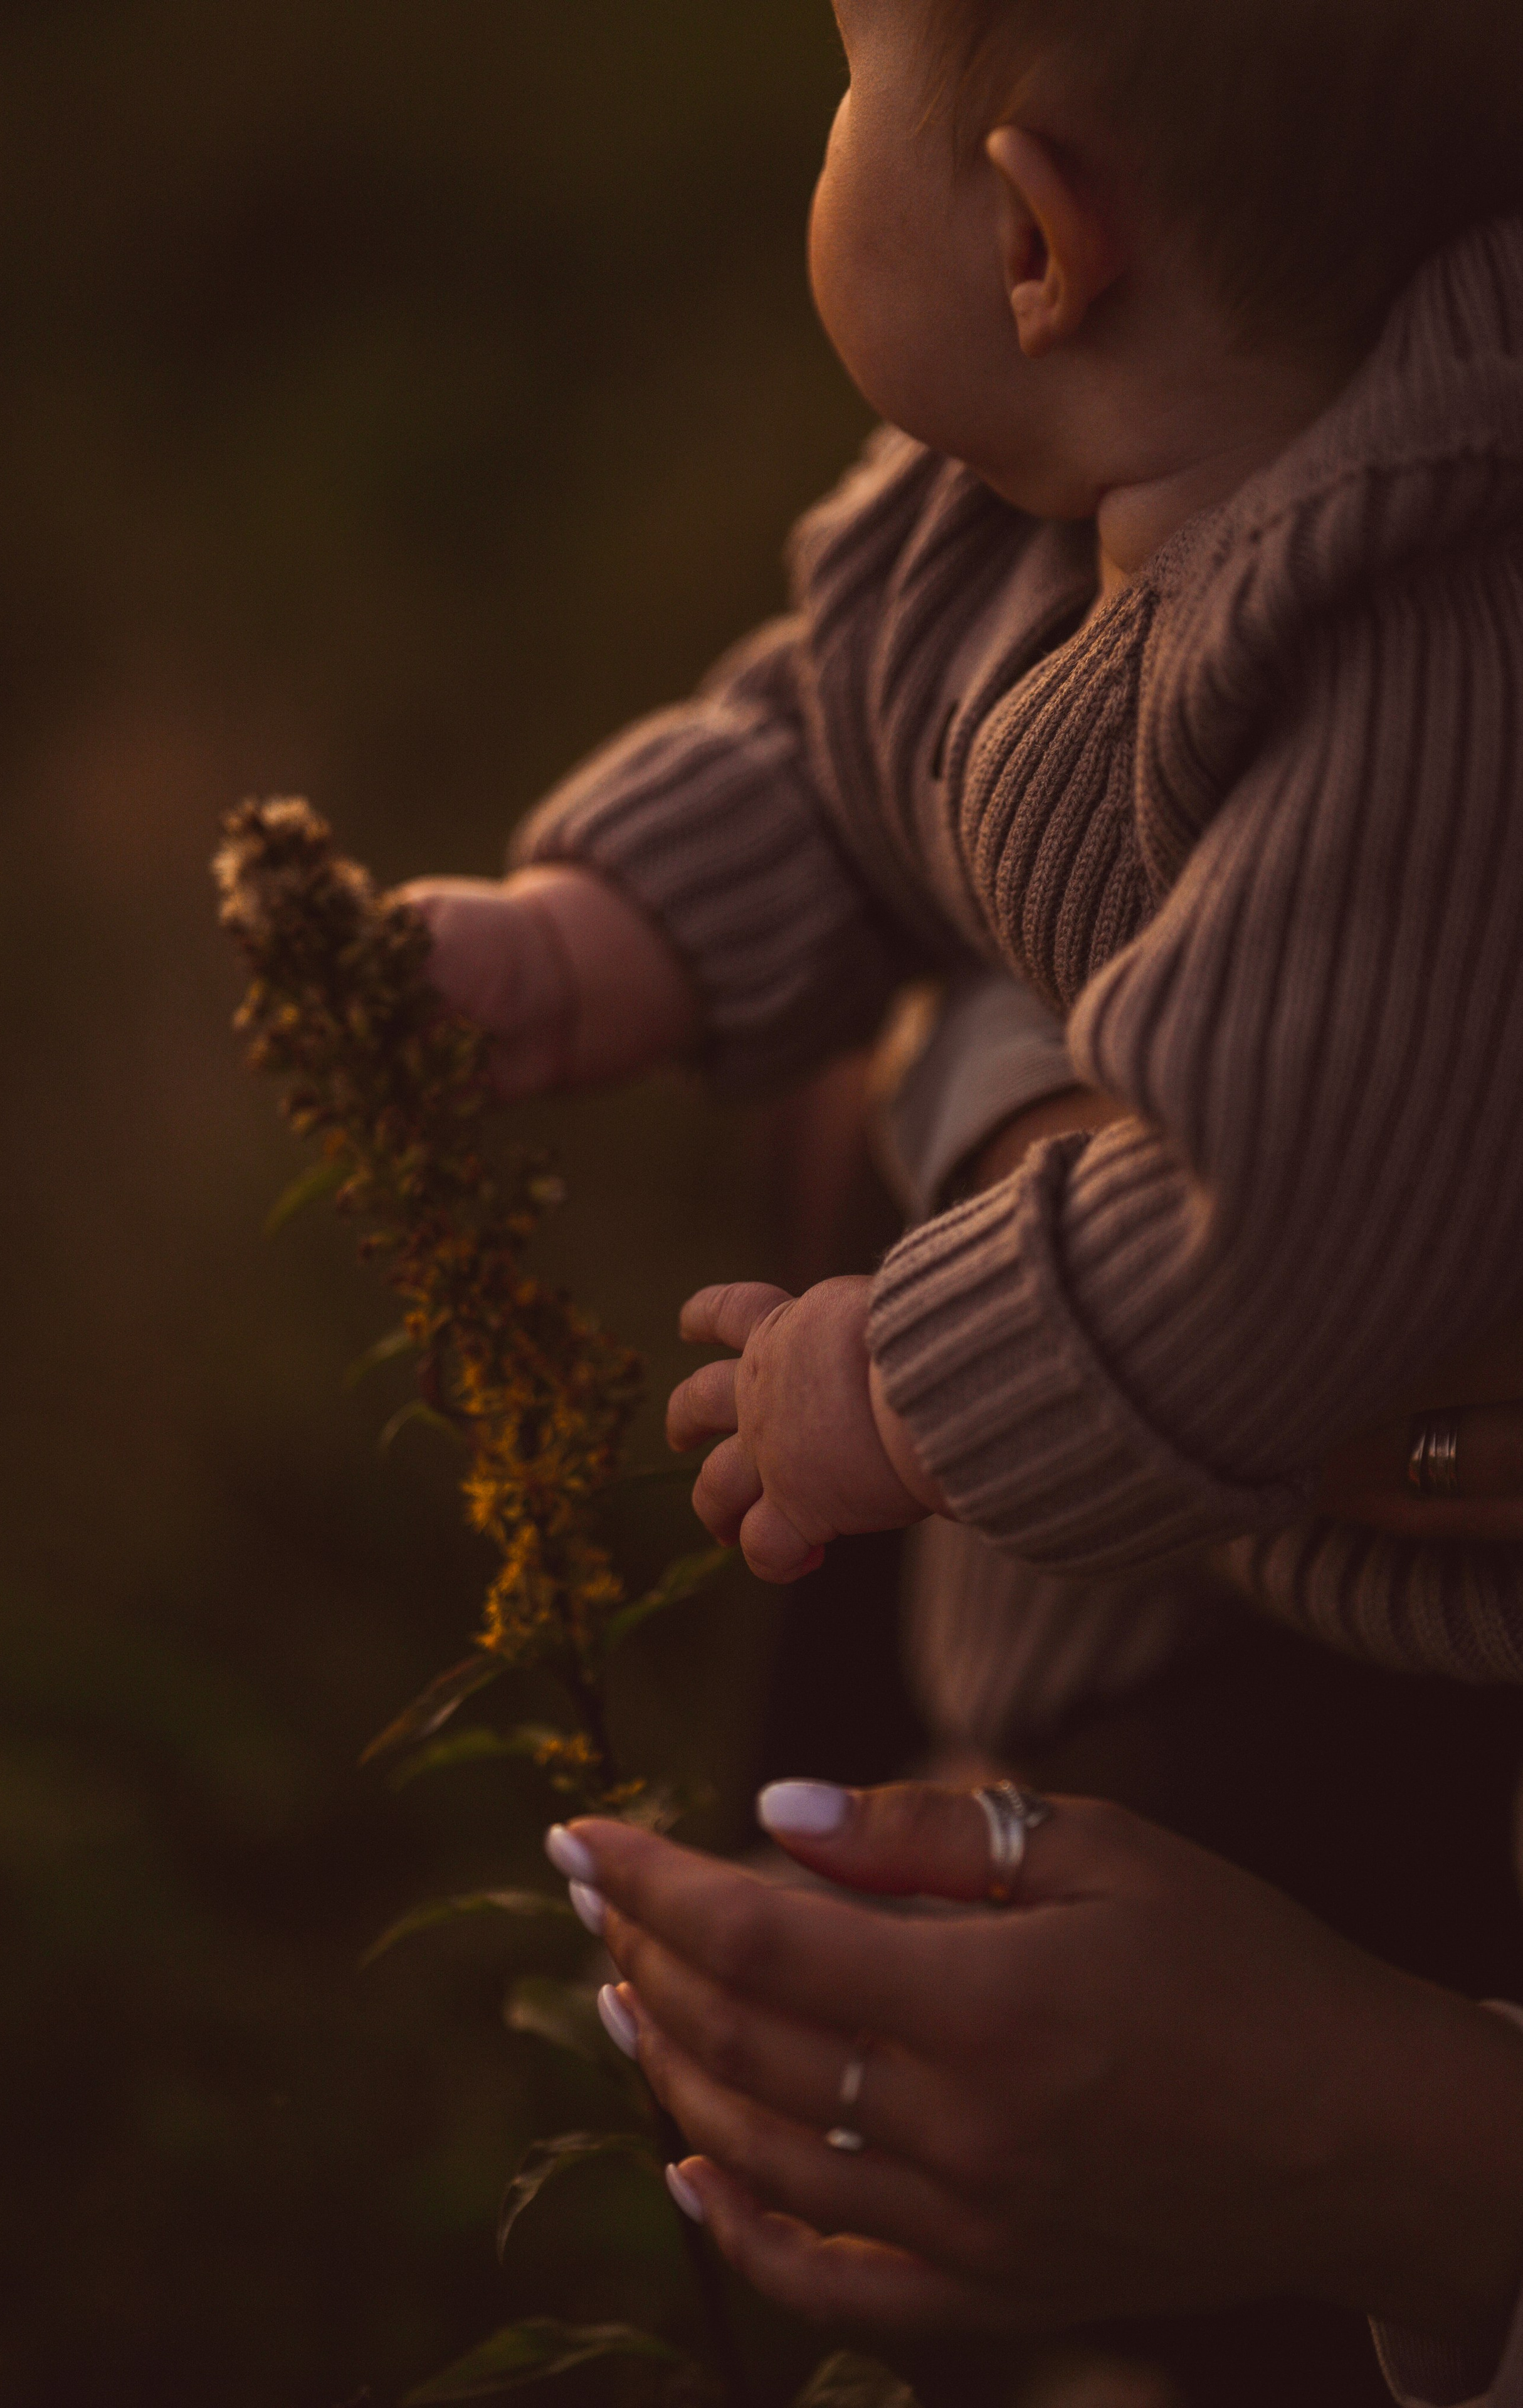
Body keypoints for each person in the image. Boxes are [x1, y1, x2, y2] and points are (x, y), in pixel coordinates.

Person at [399, 0, 1523, 2394]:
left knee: (1205, 2232)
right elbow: (850, 732)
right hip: (1121, 1555)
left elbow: (1276, 1230)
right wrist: (602, 937)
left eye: (840, 86)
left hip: (1349, 1681)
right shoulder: (1037, 478)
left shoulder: (1413, 654)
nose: (824, 140)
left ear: (1034, 232)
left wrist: (897, 1369)